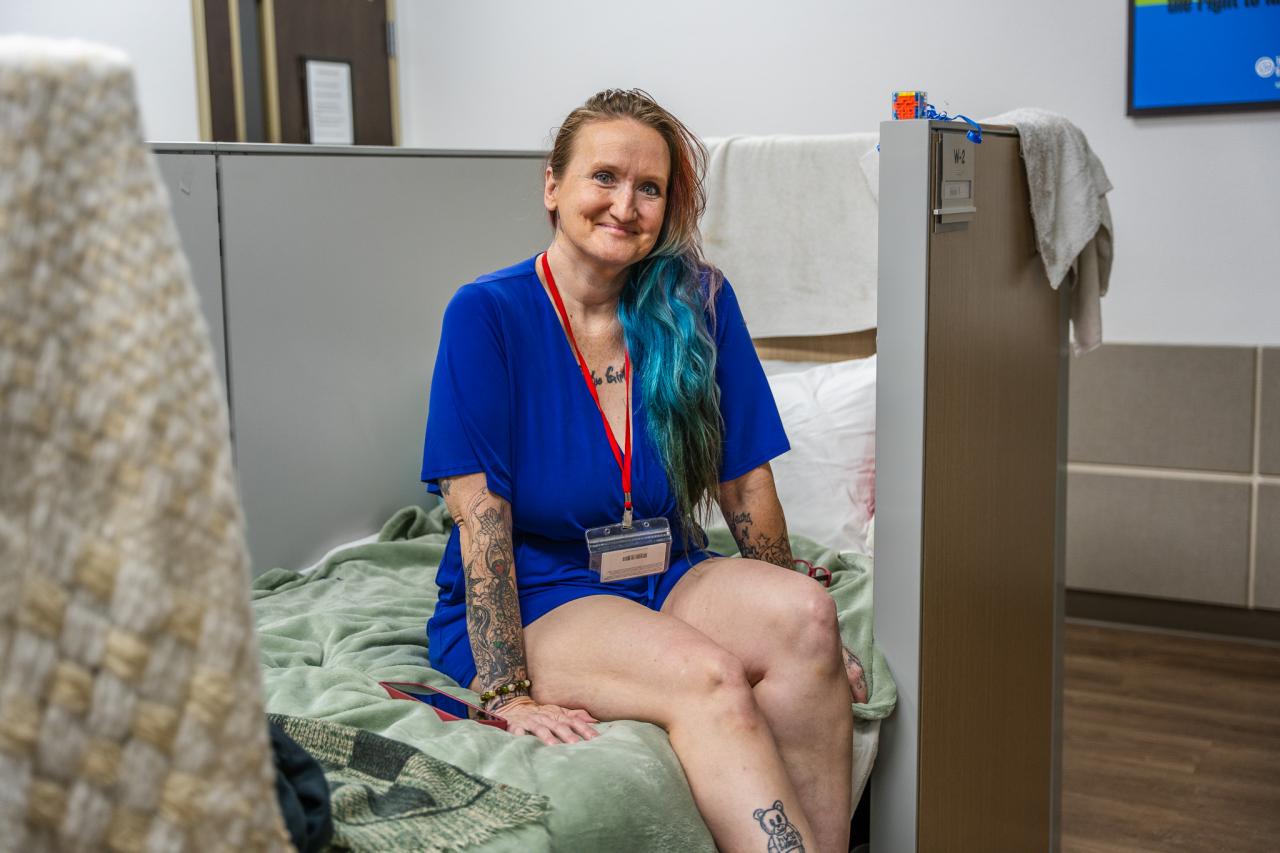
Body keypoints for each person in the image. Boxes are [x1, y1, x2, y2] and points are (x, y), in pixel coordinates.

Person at [421, 89, 861, 853]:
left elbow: (744, 483)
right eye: (605, 178)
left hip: (666, 563)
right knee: (708, 674)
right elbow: (480, 513)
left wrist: (784, 596)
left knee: (807, 617)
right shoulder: (486, 314)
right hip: (547, 588)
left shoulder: (698, 303)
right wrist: (506, 690)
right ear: (552, 187)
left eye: (649, 187)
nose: (626, 205)